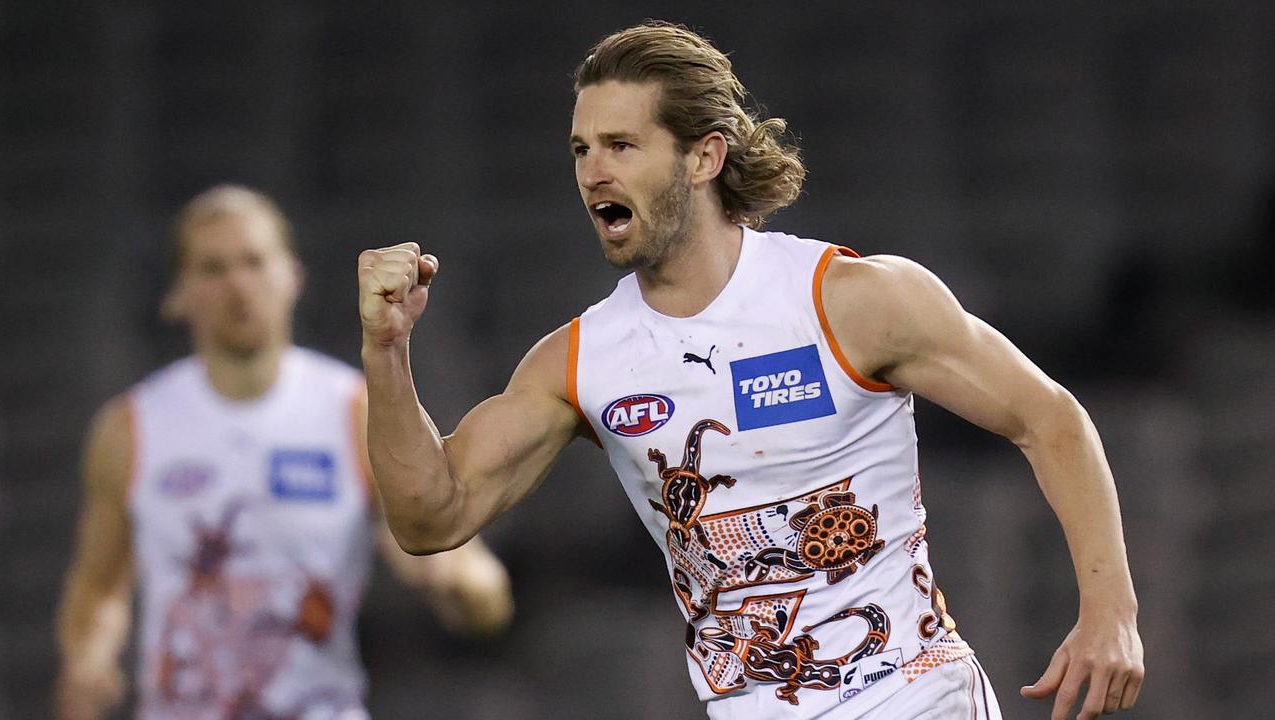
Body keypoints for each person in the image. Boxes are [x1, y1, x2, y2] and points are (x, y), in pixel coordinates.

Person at [356, 22, 1143, 720]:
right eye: (581, 149)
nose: (593, 171)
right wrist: (387, 352)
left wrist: (1110, 609)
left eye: (621, 146)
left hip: (912, 693)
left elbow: (1050, 419)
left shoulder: (850, 302)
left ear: (704, 155)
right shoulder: (582, 361)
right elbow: (433, 517)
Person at [55, 185, 514, 720]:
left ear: (292, 275)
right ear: (179, 292)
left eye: (253, 261)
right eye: (212, 268)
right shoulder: (133, 429)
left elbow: (467, 575)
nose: (237, 285)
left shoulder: (354, 413)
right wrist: (88, 661)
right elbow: (98, 586)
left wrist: (462, 585)